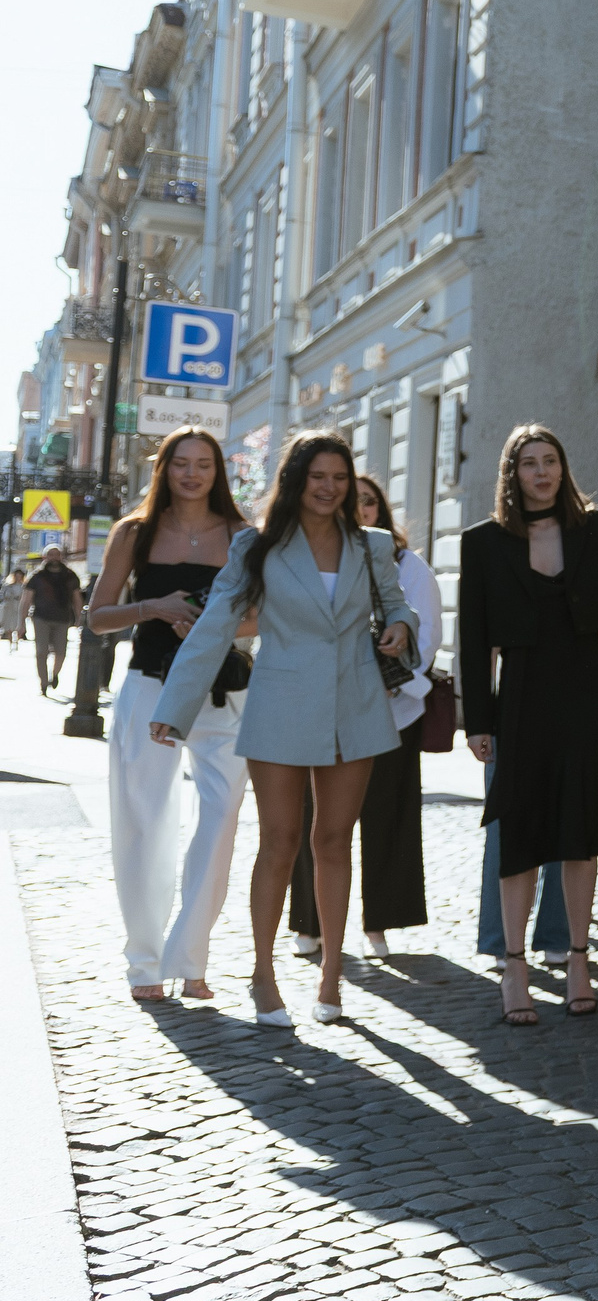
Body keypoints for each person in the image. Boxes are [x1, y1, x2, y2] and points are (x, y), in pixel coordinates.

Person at [151, 430, 418, 1030]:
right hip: (279, 704)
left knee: (334, 841)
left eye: (340, 478)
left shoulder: (371, 544)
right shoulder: (257, 546)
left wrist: (401, 627)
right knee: (279, 842)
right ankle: (263, 974)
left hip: (355, 705)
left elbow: (398, 605)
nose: (329, 488)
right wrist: (175, 706)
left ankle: (330, 978)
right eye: (317, 476)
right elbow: (217, 624)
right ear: (296, 481)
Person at [459, 424, 598, 1024]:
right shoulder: (484, 543)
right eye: (529, 463)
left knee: (577, 830)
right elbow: (474, 639)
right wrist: (476, 720)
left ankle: (579, 960)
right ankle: (514, 966)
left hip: (585, 695)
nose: (542, 472)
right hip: (520, 700)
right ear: (512, 474)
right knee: (520, 833)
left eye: (551, 461)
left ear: (563, 469)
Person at [89, 428, 254, 1003]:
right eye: (180, 463)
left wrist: (216, 625)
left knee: (222, 815)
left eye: (203, 464)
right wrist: (153, 607)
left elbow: (261, 616)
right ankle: (145, 963)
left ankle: (193, 956)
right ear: (164, 469)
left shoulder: (241, 535)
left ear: (217, 471)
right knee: (142, 821)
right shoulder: (134, 532)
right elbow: (98, 616)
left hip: (223, 693)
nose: (191, 474)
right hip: (149, 687)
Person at [27, 546, 81, 694]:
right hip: (40, 617)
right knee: (41, 652)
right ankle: (43, 683)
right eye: (50, 554)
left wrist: (79, 618)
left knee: (61, 652)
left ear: (61, 557)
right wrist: (21, 623)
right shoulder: (37, 576)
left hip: (63, 619)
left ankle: (55, 674)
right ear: (45, 557)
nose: (54, 557)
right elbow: (26, 599)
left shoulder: (70, 576)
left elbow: (77, 599)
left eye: (57, 554)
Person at [1, 568, 26, 645]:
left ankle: (17, 641)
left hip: (19, 607)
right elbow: (3, 595)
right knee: (8, 626)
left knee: (18, 624)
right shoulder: (8, 586)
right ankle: (11, 642)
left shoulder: (24, 587)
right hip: (9, 607)